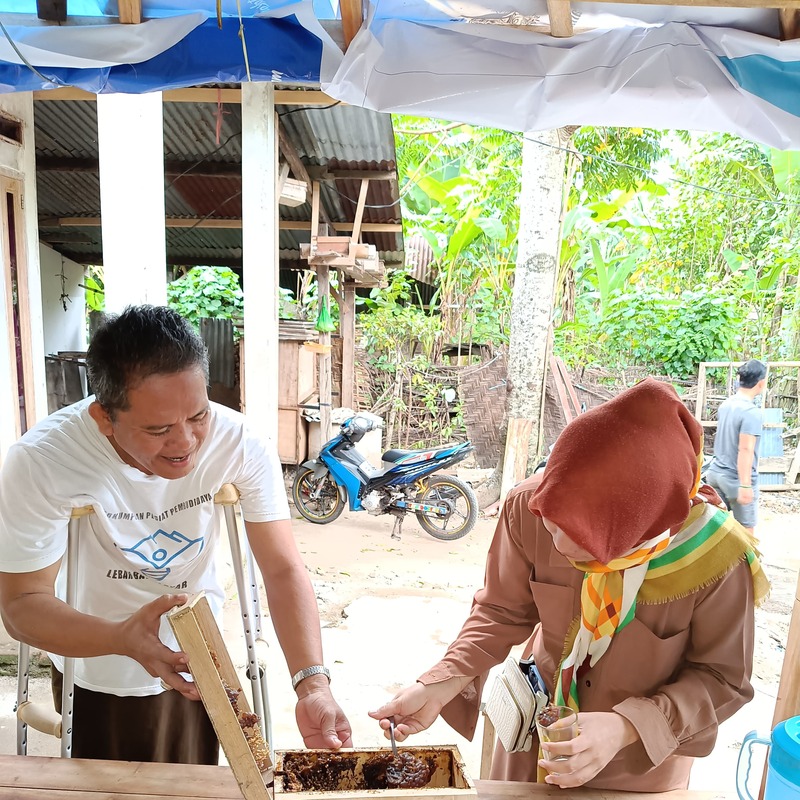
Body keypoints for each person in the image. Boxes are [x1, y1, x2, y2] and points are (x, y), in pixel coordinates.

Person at [370, 378, 769, 791]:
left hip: (638, 764)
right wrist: (442, 682)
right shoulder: (528, 507)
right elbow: (500, 611)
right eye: (553, 521)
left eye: (586, 541)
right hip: (534, 734)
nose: (559, 543)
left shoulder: (714, 557)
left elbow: (722, 679)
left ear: (644, 529)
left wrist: (627, 726)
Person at [0, 305, 353, 763]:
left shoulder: (240, 442)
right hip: (96, 662)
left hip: (197, 660)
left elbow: (282, 568)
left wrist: (313, 685)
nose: (185, 442)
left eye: (198, 415)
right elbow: (22, 604)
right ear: (104, 417)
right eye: (158, 429)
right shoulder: (43, 461)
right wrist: (121, 638)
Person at [706, 359, 767, 534]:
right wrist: (746, 485)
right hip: (735, 480)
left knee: (716, 530)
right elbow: (745, 449)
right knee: (746, 532)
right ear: (761, 383)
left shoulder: (726, 404)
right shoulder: (751, 413)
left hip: (715, 474)